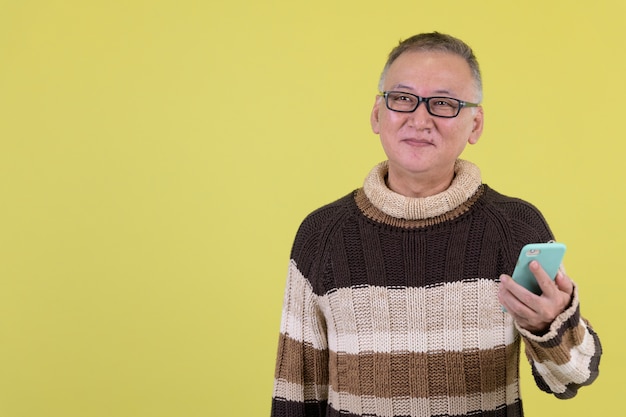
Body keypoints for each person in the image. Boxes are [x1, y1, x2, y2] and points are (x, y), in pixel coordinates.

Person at [270, 32, 602, 417]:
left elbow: (573, 376)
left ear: (475, 124)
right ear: (378, 114)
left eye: (443, 103)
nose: (420, 119)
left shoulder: (516, 228)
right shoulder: (321, 234)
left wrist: (551, 326)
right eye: (403, 99)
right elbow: (295, 395)